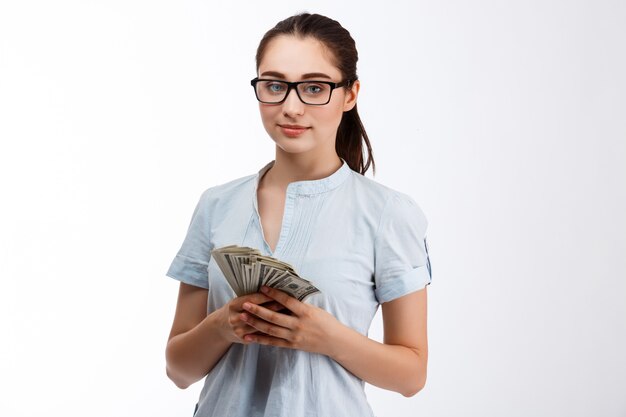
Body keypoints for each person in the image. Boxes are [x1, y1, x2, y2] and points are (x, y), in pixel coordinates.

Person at [164, 12, 432, 417]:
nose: (290, 107)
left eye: (313, 87)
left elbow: (411, 376)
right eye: (274, 86)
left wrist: (325, 336)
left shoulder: (388, 214)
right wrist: (223, 325)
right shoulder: (216, 205)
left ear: (350, 94)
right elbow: (179, 370)